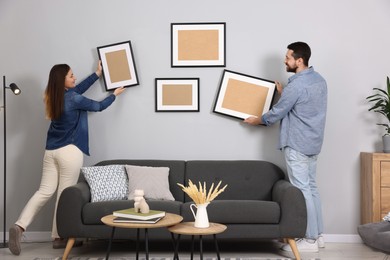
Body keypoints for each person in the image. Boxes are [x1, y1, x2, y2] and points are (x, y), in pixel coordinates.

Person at [8, 61, 126, 255]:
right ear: (62, 81)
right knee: (64, 195)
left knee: (44, 192)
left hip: (50, 152)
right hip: (70, 151)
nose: (75, 78)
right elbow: (97, 106)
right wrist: (114, 95)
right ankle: (59, 236)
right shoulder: (74, 99)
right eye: (71, 75)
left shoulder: (52, 96)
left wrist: (97, 74)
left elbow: (77, 90)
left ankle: (19, 226)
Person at [244, 42, 327, 253]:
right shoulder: (319, 81)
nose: (285, 60)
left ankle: (308, 240)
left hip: (297, 144)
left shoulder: (297, 86)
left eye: (288, 58)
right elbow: (302, 107)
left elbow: (277, 113)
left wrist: (258, 121)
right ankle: (318, 236)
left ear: (299, 61)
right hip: (313, 143)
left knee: (302, 191)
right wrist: (285, 93)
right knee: (312, 189)